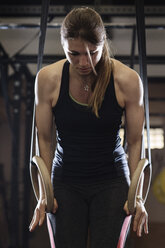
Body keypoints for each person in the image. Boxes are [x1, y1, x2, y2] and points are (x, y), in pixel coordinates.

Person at [29, 7, 148, 248]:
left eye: (92, 53)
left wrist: (137, 197)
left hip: (112, 181)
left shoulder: (127, 81)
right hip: (66, 180)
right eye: (74, 54)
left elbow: (135, 142)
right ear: (63, 45)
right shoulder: (47, 79)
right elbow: (44, 139)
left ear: (103, 43)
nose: (84, 62)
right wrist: (45, 193)